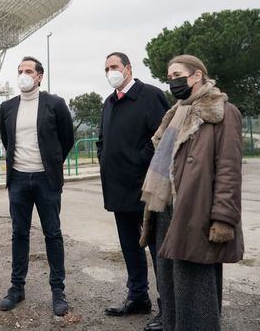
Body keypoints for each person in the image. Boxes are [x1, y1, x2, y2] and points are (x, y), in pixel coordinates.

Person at [140, 54, 244, 331]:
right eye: (169, 77)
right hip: (166, 210)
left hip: (197, 212)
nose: (172, 81)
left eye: (176, 75)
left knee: (195, 287)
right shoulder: (176, 113)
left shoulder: (222, 112)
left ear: (196, 75)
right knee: (170, 284)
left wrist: (223, 218)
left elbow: (229, 170)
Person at [97, 52, 169, 331]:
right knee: (130, 247)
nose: (110, 71)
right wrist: (104, 158)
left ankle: (168, 306)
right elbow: (103, 139)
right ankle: (138, 296)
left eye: (114, 66)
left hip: (145, 187)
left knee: (156, 247)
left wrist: (139, 162)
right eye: (106, 68)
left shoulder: (150, 95)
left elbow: (163, 137)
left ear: (128, 68)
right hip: (117, 188)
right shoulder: (109, 102)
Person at [0, 56, 75, 316]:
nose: (23, 75)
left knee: (52, 234)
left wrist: (52, 164)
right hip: (18, 179)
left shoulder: (55, 104)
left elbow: (66, 139)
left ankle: (58, 291)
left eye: (28, 71)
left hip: (46, 180)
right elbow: (8, 140)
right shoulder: (7, 107)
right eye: (20, 71)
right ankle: (16, 288)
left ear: (40, 76)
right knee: (19, 234)